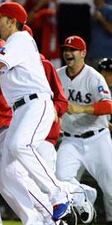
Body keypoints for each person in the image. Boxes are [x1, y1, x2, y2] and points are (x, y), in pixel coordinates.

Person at [0, 2, 75, 222]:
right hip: (21, 110)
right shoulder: (11, 45)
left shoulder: (20, 39)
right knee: (7, 175)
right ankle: (41, 219)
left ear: (12, 21)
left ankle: (62, 193)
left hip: (35, 104)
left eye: (0, 18)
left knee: (21, 145)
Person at [56, 35, 112, 225]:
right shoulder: (58, 75)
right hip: (70, 139)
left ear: (83, 53)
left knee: (111, 188)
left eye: (73, 50)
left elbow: (107, 105)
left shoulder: (93, 77)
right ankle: (85, 194)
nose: (68, 53)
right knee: (60, 180)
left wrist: (81, 108)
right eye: (66, 49)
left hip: (97, 139)